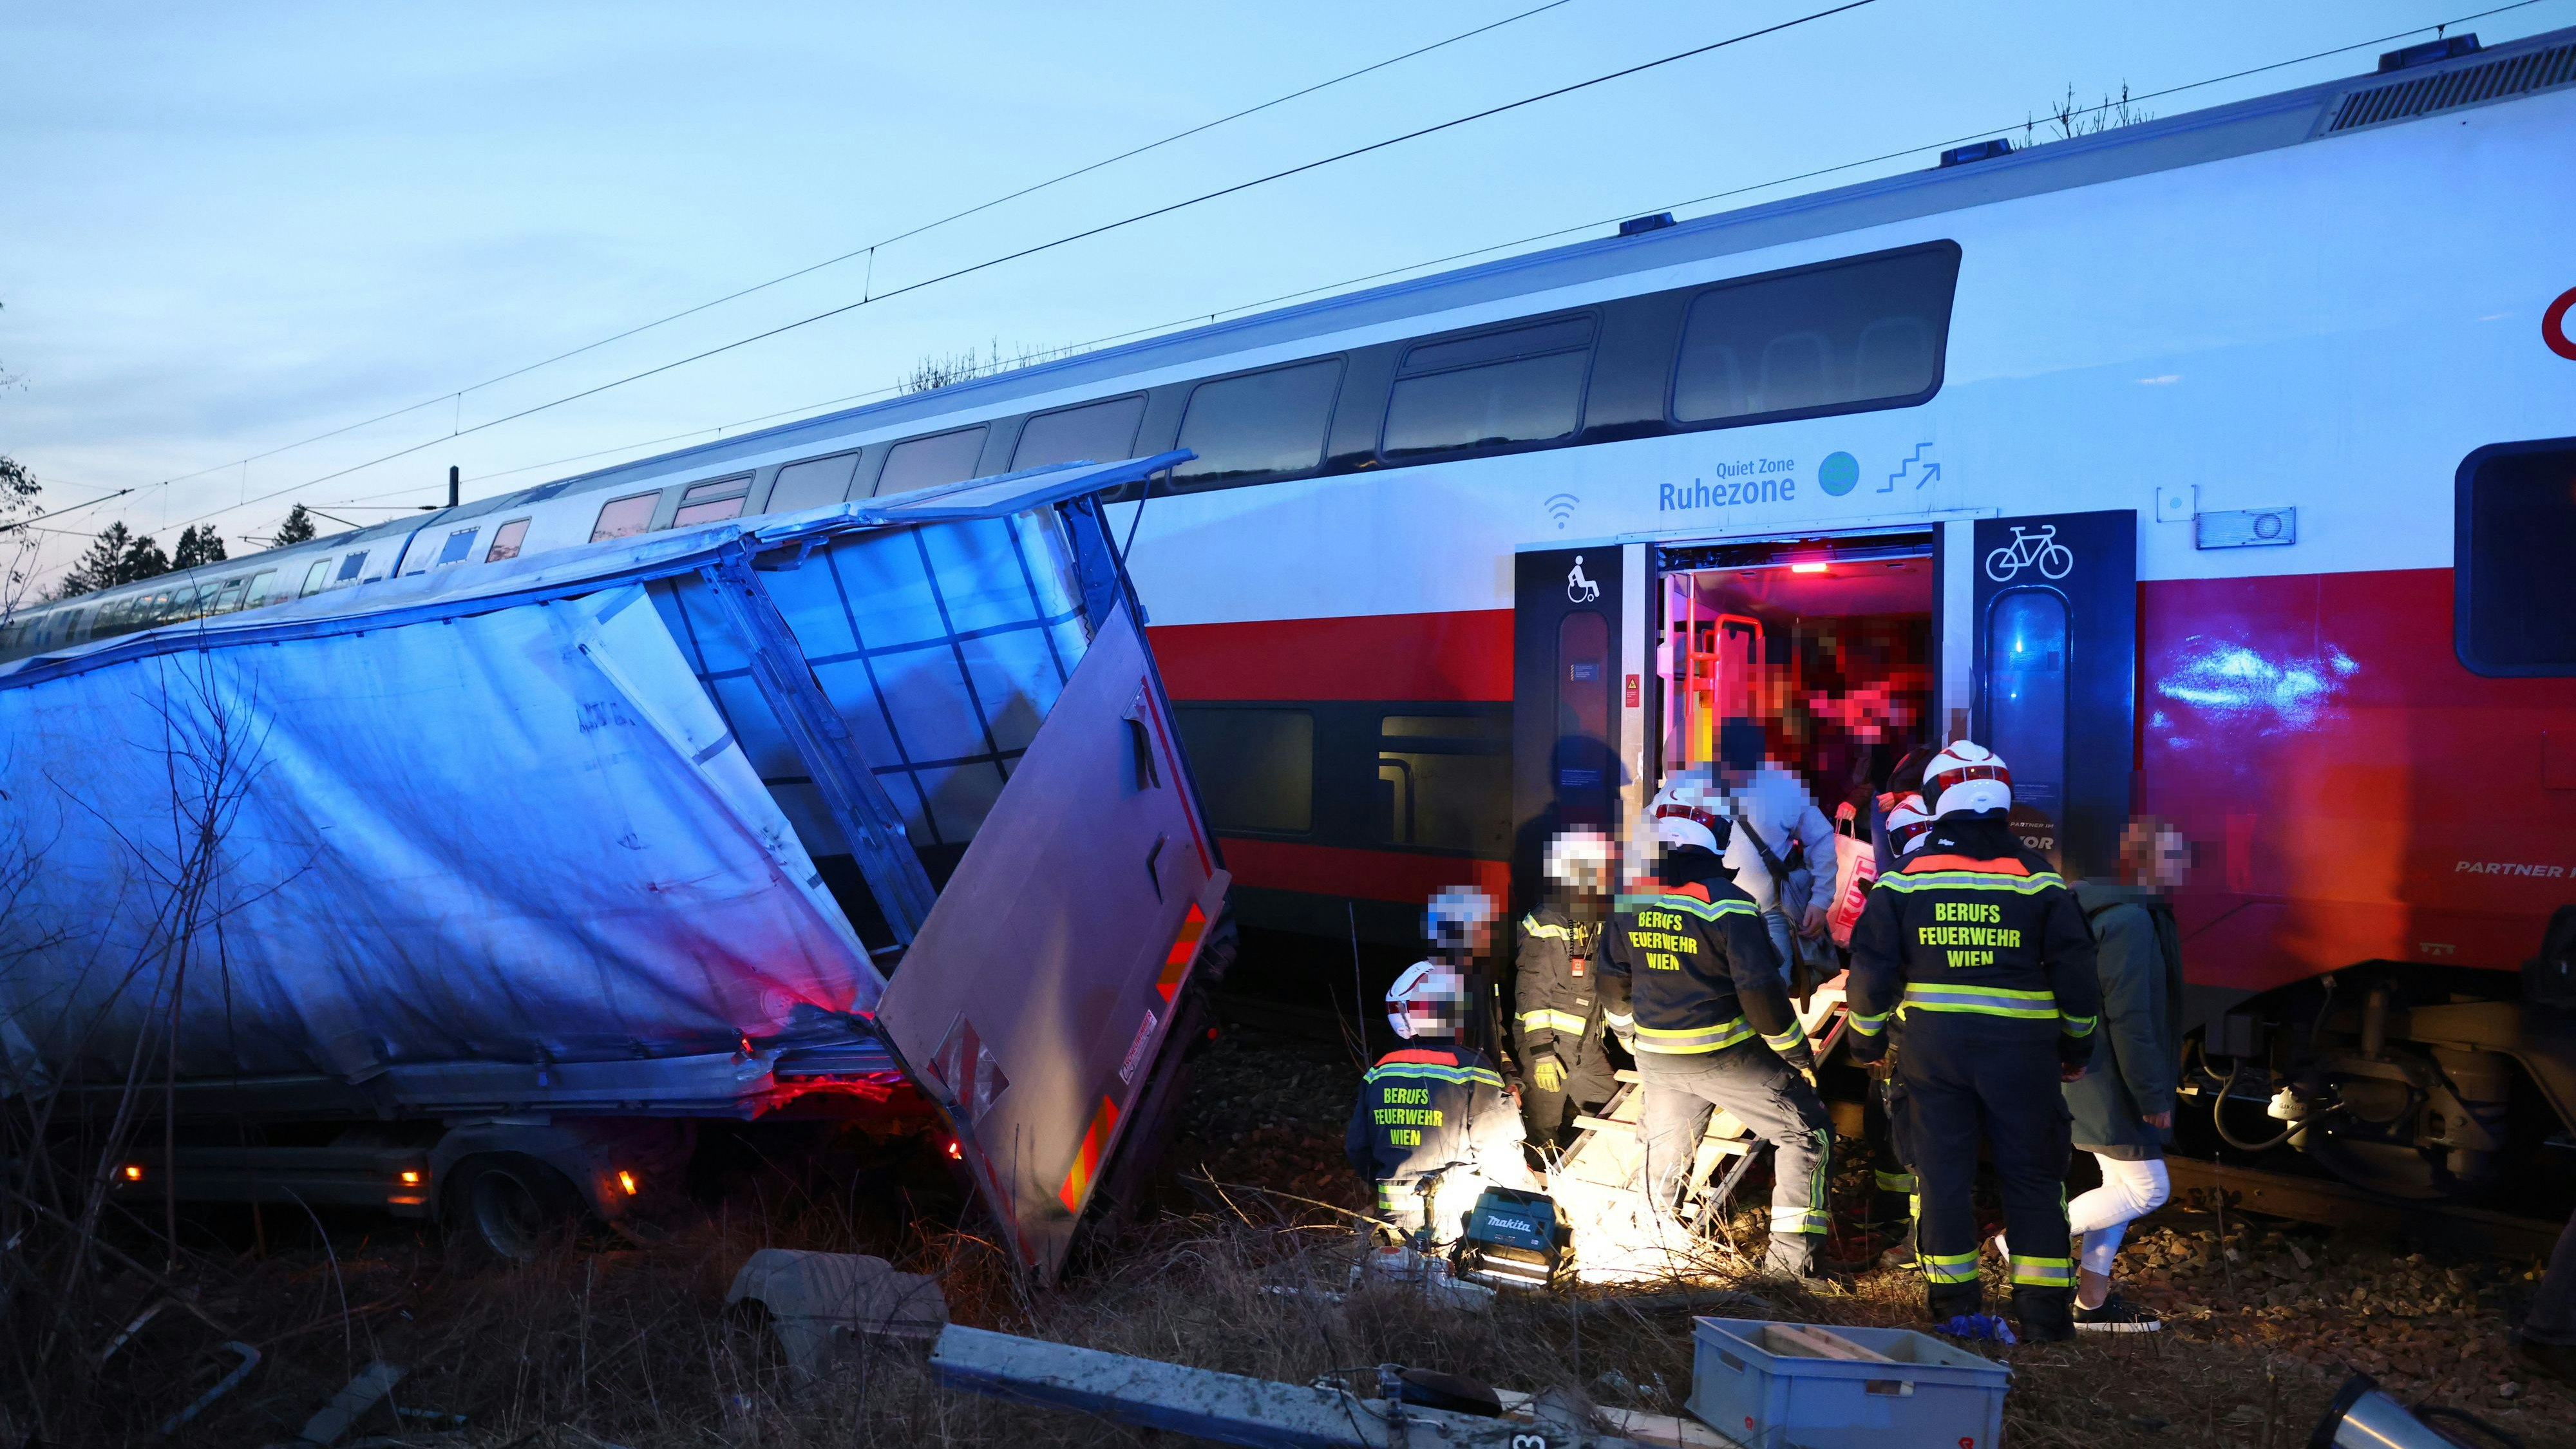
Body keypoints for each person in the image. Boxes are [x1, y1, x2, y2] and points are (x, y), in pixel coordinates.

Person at [1844, 742, 2103, 1341]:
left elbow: (1871, 974)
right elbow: (2078, 979)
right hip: (2024, 1057)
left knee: (1943, 1180)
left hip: (1933, 1054)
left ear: (1937, 801)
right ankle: (2044, 1322)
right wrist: (2076, 1050)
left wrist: (1866, 1045)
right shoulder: (2041, 882)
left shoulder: (1903, 883)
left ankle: (1956, 1314)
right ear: (2004, 801)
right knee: (2036, 1181)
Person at [1598, 772, 1837, 1281]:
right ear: (1712, 835)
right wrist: (1797, 1057)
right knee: (1807, 1134)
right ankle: (1790, 1270)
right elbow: (1760, 996)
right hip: (1723, 1058)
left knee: (1664, 1153)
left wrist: (1628, 1037)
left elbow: (1611, 980)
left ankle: (1646, 1252)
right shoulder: (1728, 903)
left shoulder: (1630, 898)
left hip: (1657, 1059)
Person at [2028, 815, 2188, 1331]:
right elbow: (2132, 1016)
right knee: (2148, 1190)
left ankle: (2091, 1303)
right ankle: (2023, 1241)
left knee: (2117, 1182)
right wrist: (2153, 1093)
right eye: (2175, 856)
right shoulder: (2131, 922)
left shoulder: (2099, 908)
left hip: (2092, 1068)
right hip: (2112, 1077)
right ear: (2150, 862)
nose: (2183, 867)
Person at [1348, 893, 1534, 1244]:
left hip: (1394, 1221)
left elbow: (1358, 1148)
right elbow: (1501, 1158)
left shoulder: (1379, 1073)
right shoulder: (1470, 1071)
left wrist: (1390, 1180)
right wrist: (1530, 1200)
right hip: (1454, 1220)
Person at [1863, 791, 1935, 1269]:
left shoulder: (1899, 889)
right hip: (1949, 1034)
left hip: (1912, 1036)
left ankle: (1921, 1242)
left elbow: (1879, 973)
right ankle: (1898, 1218)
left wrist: (1865, 1035)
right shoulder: (1971, 878)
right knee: (1898, 1129)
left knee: (1916, 1139)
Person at [1517, 829, 1619, 1154]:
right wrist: (1542, 1053)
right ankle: (1538, 1196)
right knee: (1541, 1133)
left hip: (1586, 1047)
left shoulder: (1594, 918)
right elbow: (1532, 993)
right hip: (1549, 1049)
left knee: (1613, 1119)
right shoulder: (1547, 921)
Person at [1714, 719, 1837, 979]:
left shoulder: (1784, 788)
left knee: (1772, 1000)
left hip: (1766, 919)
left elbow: (1822, 837)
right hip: (1705, 921)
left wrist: (1821, 900)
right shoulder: (1693, 787)